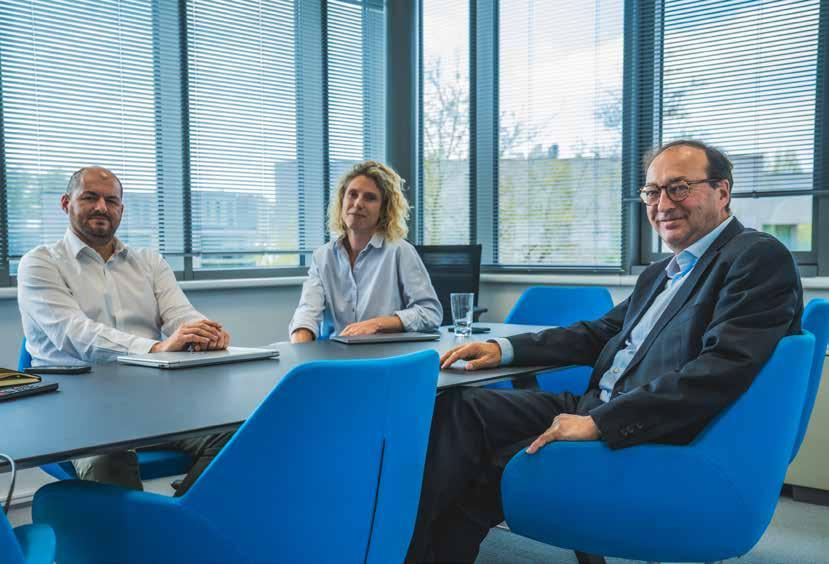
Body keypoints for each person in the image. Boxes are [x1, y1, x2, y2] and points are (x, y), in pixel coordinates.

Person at [407, 140, 804, 562]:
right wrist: (502, 349)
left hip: (648, 427)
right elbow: (598, 333)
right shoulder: (662, 272)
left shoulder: (755, 257)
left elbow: (722, 368)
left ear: (722, 192)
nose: (662, 204)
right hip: (594, 403)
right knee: (457, 408)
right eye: (652, 192)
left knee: (471, 475)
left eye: (679, 188)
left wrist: (600, 423)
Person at [17, 166, 233, 492]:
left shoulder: (149, 262)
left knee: (240, 433)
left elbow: (181, 315)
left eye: (111, 201)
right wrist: (155, 348)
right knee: (108, 460)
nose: (101, 207)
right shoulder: (40, 262)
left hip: (149, 401)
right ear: (65, 203)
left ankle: (182, 513)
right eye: (90, 197)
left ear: (121, 209)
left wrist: (204, 332)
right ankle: (138, 526)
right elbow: (74, 333)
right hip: (76, 408)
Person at [289, 160, 442, 342]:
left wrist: (377, 324)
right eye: (352, 195)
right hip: (338, 353)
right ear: (342, 200)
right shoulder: (323, 256)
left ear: (383, 210)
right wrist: (299, 345)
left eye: (370, 198)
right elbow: (307, 312)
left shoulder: (400, 251)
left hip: (386, 354)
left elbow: (430, 313)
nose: (358, 203)